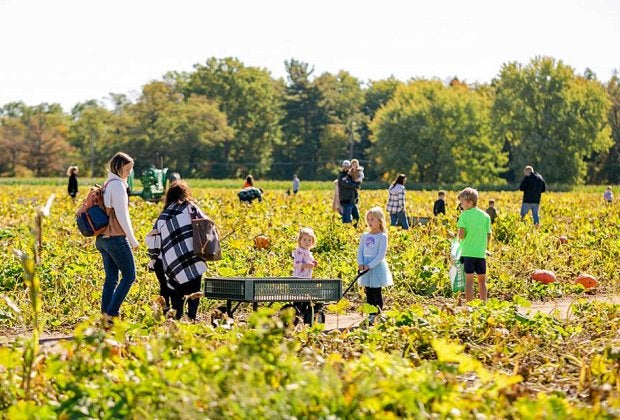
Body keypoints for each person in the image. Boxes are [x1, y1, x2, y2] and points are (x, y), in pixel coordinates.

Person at [146, 181, 207, 321]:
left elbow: (155, 240)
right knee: (194, 286)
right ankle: (192, 317)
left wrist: (154, 258)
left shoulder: (164, 214)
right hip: (191, 256)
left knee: (175, 288)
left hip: (169, 261)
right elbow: (205, 225)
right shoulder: (191, 208)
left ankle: (176, 317)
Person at [95, 152, 139, 327]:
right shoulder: (118, 186)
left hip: (102, 239)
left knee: (111, 278)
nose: (129, 172)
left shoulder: (107, 183)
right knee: (129, 275)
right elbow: (122, 215)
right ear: (118, 167)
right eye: (127, 169)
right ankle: (112, 314)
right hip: (115, 238)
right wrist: (133, 239)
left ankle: (105, 318)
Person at [357, 207, 393, 323]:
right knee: (368, 291)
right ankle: (371, 313)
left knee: (376, 291)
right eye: (368, 219)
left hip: (376, 266)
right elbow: (360, 251)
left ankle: (377, 314)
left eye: (372, 219)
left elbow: (381, 255)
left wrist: (370, 265)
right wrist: (361, 263)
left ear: (379, 221)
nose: (369, 222)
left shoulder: (382, 236)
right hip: (365, 265)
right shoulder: (365, 236)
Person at [457, 187, 491, 302]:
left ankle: (470, 305)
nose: (461, 206)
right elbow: (489, 235)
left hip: (468, 253)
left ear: (469, 202)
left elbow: (461, 235)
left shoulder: (464, 215)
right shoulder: (486, 216)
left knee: (469, 281)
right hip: (481, 253)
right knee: (482, 281)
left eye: (462, 203)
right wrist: (486, 247)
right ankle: (484, 303)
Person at [291, 227, 321, 323]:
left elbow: (309, 263)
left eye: (309, 240)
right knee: (299, 298)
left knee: (304, 298)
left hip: (306, 279)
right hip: (299, 278)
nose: (307, 242)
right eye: (304, 240)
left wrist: (313, 263)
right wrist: (307, 265)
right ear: (300, 241)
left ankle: (303, 314)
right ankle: (296, 315)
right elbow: (296, 264)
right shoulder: (299, 252)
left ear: (312, 242)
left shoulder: (308, 253)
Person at [337, 160, 361, 225]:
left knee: (356, 217)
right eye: (344, 166)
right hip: (346, 201)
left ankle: (354, 231)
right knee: (347, 220)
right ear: (342, 167)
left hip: (352, 201)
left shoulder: (351, 175)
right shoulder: (341, 176)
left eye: (347, 166)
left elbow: (357, 180)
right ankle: (346, 232)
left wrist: (356, 183)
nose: (346, 168)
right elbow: (348, 184)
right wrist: (356, 185)